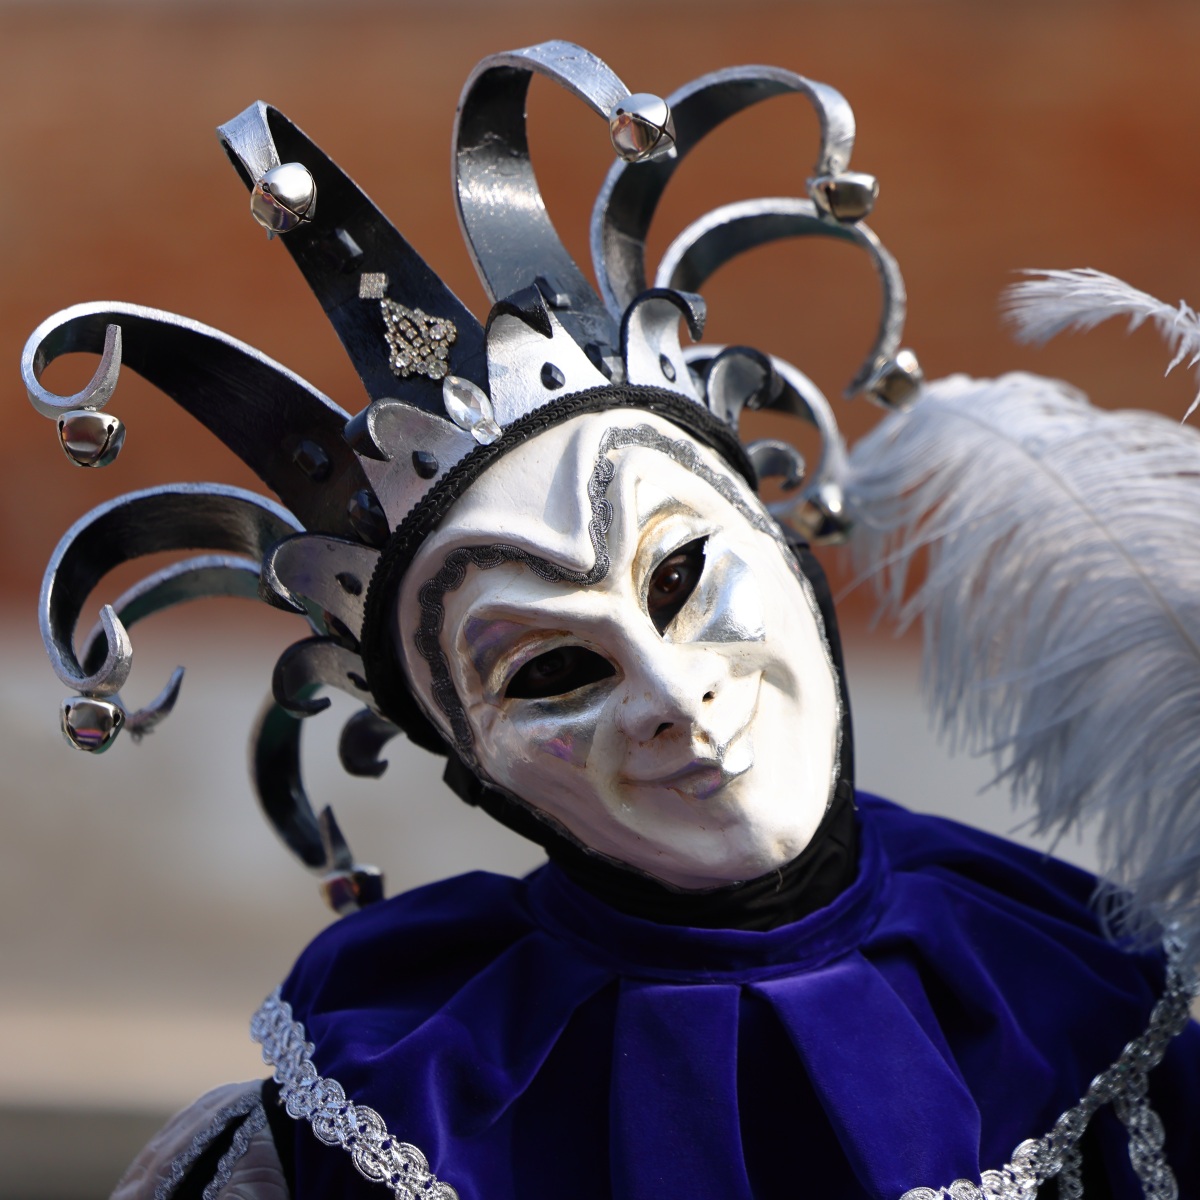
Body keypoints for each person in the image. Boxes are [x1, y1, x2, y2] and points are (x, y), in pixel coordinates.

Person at [25, 40, 1200, 1200]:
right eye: (550, 673)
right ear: (470, 768)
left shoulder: (1084, 1012)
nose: (671, 694)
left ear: (793, 560)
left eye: (684, 576)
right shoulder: (381, 1119)